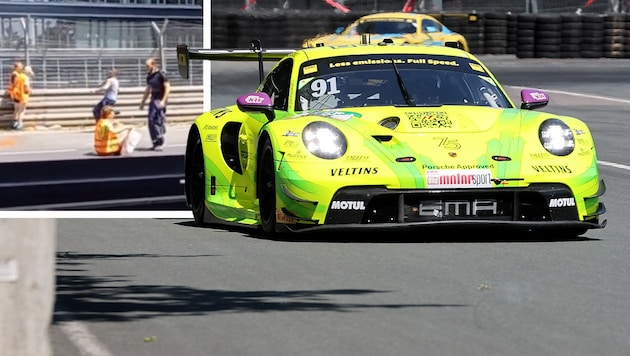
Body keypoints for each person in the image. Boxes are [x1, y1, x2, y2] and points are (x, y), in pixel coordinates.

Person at [139, 57, 170, 151]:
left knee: (157, 119)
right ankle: (155, 141)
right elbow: (148, 90)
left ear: (153, 65)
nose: (146, 68)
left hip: (160, 99)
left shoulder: (161, 74)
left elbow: (168, 88)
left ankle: (160, 138)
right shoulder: (149, 76)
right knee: (150, 120)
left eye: (148, 66)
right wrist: (142, 103)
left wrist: (163, 101)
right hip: (153, 99)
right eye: (146, 66)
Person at [10, 64, 34, 130]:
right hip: (22, 96)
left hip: (16, 95)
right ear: (28, 73)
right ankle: (20, 124)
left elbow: (14, 84)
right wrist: (30, 91)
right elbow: (26, 87)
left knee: (16, 110)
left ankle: (14, 123)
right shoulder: (26, 78)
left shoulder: (19, 75)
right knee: (21, 111)